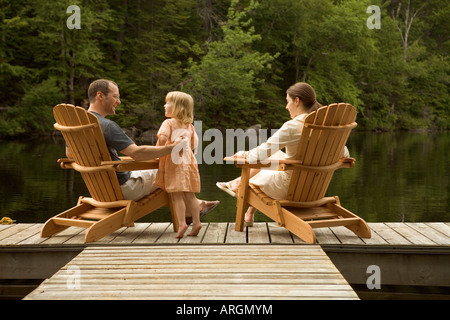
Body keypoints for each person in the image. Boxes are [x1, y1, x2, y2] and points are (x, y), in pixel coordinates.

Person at [66, 79, 219, 221]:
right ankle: (194, 209)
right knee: (170, 171)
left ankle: (192, 208)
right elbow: (137, 153)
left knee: (164, 171)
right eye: (115, 97)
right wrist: (172, 148)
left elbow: (69, 155)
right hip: (123, 187)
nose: (118, 102)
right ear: (100, 96)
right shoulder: (107, 126)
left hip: (98, 188)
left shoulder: (77, 125)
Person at [216, 82, 349, 226]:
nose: (286, 107)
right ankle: (243, 200)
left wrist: (243, 155)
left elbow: (259, 155)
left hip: (289, 189)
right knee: (275, 155)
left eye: (287, 102)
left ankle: (238, 184)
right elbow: (345, 154)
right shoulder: (327, 126)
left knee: (263, 161)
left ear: (296, 101)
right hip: (315, 188)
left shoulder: (292, 126)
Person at [154, 91, 201, 238]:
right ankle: (197, 222)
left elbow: (162, 140)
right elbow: (193, 145)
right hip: (189, 162)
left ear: (177, 107)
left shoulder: (168, 123)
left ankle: (182, 224)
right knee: (190, 195)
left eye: (167, 102)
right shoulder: (190, 126)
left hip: (175, 163)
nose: (164, 105)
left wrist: (155, 152)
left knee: (177, 196)